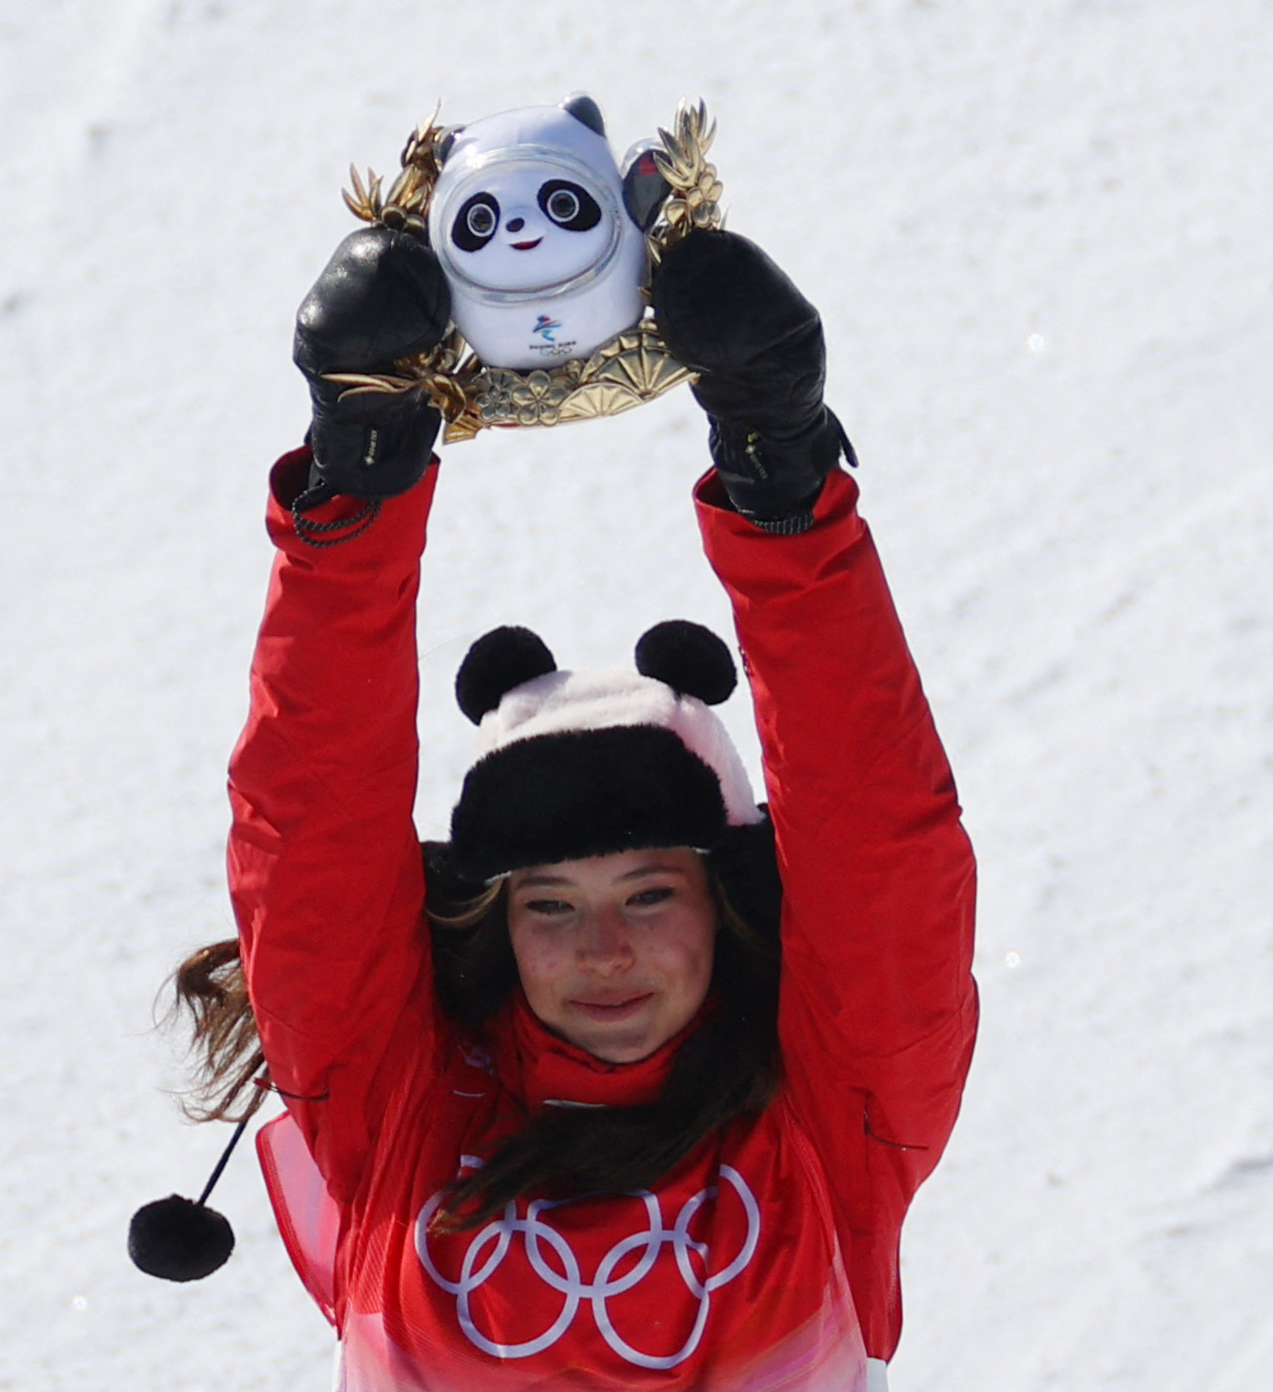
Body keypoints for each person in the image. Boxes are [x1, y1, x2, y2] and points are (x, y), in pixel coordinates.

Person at [171, 222, 978, 1390]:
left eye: (650, 891)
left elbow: (880, 849)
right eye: (548, 903)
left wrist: (786, 492)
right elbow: (311, 841)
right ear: (494, 923)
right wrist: (356, 483)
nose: (604, 950)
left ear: (728, 904)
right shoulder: (404, 1113)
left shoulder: (829, 1128)